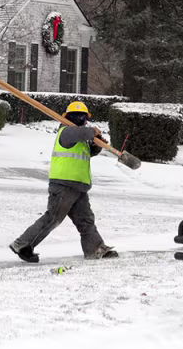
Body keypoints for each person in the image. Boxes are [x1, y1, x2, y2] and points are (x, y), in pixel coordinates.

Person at [10, 101, 118, 262]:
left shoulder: (80, 137)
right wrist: (92, 131)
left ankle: (95, 249)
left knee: (86, 221)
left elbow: (88, 152)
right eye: (77, 116)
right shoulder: (66, 132)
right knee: (53, 218)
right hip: (64, 185)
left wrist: (98, 143)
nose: (80, 118)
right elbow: (80, 133)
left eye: (83, 116)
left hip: (79, 186)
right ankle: (22, 244)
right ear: (68, 117)